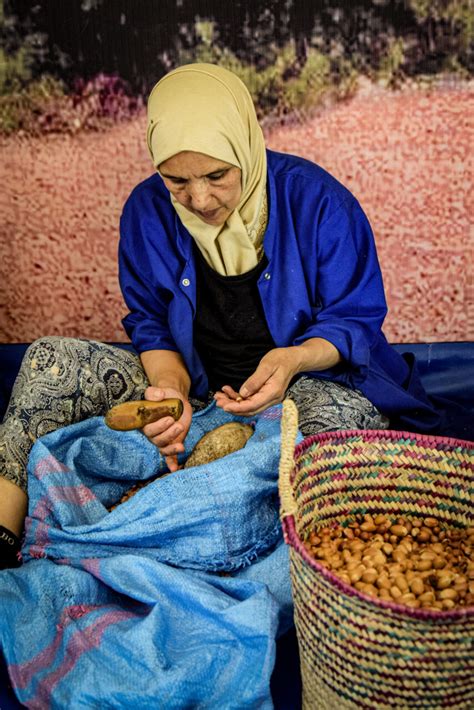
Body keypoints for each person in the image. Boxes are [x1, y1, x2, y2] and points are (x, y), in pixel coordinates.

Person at [0, 63, 441, 570]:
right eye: (177, 181)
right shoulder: (146, 210)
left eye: (217, 176)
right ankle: (6, 535)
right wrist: (171, 390)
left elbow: (355, 320)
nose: (201, 199)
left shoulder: (316, 202)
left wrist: (294, 359)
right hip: (203, 387)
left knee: (319, 440)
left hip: (311, 384)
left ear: (245, 147)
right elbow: (149, 320)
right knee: (49, 360)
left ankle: (122, 536)